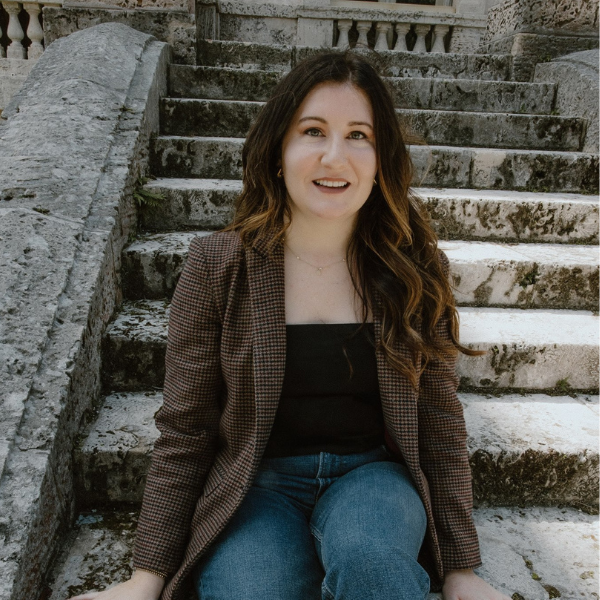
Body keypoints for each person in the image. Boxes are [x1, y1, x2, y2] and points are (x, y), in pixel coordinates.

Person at [70, 52, 511, 600]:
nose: (335, 156)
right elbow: (186, 427)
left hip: (374, 479)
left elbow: (439, 422)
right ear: (279, 150)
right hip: (258, 486)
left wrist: (461, 571)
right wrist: (147, 576)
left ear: (381, 160)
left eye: (358, 135)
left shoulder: (415, 269)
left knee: (375, 569)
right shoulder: (217, 266)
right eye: (313, 131)